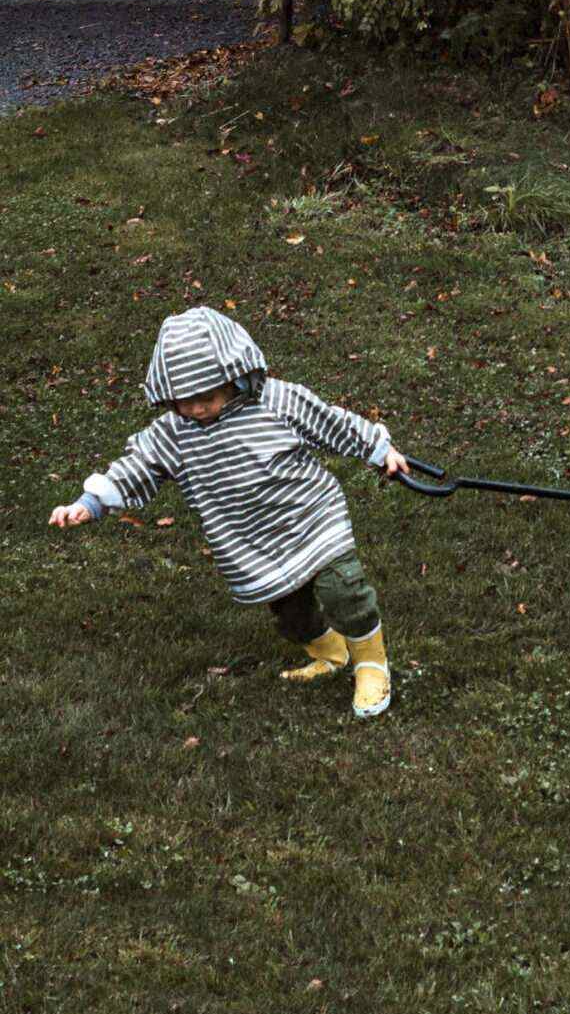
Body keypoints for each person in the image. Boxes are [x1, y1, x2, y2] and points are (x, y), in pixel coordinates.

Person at [48, 306, 408, 719]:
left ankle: (370, 663)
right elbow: (136, 466)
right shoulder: (173, 434)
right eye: (186, 401)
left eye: (208, 397)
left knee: (344, 592)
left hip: (311, 517)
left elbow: (329, 422)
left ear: (234, 376)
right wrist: (90, 503)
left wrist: (379, 450)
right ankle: (331, 654)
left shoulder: (275, 400)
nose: (198, 409)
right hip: (253, 536)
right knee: (290, 615)